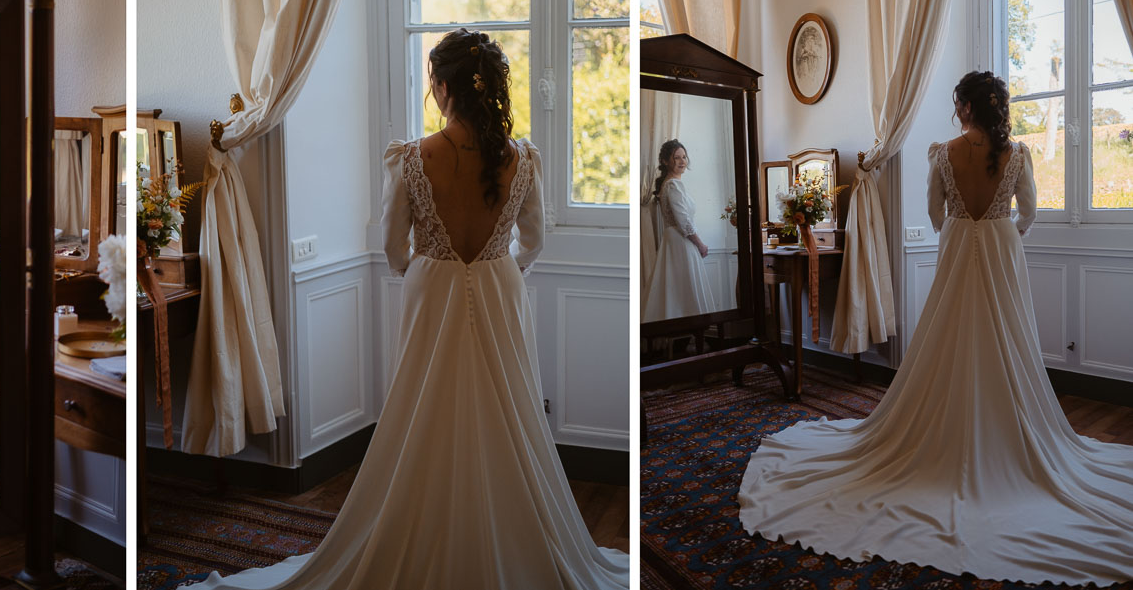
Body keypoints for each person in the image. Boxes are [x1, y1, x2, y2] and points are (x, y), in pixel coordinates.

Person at [184, 29, 629, 589]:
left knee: (424, 403)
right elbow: (535, 240)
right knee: (506, 406)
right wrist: (500, 269)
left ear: (441, 87)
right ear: (491, 88)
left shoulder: (413, 158)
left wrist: (426, 267)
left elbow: (394, 247)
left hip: (431, 289)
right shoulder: (523, 159)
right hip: (499, 287)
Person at [738, 71, 1133, 587]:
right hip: (1000, 251)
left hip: (956, 252)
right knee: (1004, 341)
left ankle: (940, 429)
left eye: (957, 104)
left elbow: (932, 212)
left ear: (965, 107)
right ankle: (1006, 431)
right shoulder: (1018, 155)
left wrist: (959, 235)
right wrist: (1000, 234)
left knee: (946, 338)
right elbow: (1030, 214)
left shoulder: (942, 153)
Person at [641, 140, 714, 321]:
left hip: (675, 240)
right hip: (680, 241)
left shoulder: (672, 184)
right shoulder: (673, 185)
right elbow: (683, 221)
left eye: (684, 157)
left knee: (679, 289)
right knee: (683, 289)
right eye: (676, 158)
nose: (682, 161)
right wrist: (700, 244)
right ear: (666, 161)